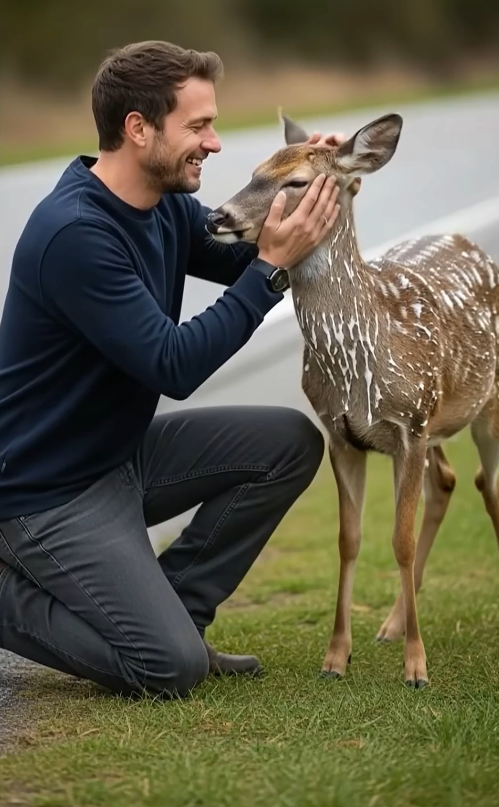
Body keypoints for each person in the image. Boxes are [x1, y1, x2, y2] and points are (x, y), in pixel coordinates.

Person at [0, 40, 340, 699]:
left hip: (118, 456)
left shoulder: (158, 204)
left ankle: (176, 614)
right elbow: (172, 363)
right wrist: (272, 269)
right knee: (167, 670)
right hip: (46, 493)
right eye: (199, 125)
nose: (213, 143)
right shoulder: (77, 233)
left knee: (287, 444)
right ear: (138, 128)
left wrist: (309, 181)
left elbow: (241, 255)